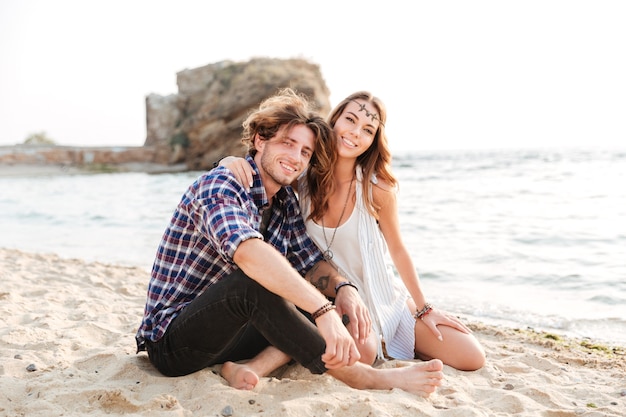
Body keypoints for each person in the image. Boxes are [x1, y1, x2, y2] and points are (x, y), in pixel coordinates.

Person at [135, 88, 444, 396]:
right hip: (173, 343)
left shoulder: (284, 201)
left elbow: (310, 262)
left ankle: (250, 367)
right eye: (288, 143)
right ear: (260, 140)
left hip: (228, 336)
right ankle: (361, 376)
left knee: (304, 289)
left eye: (305, 152)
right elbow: (249, 254)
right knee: (255, 283)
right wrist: (323, 311)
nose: (295, 158)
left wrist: (343, 289)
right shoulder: (222, 185)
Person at [220, 91, 486, 373]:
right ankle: (268, 360)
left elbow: (398, 249)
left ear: (373, 141)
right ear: (334, 121)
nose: (355, 133)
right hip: (332, 298)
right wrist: (227, 162)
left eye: (368, 129)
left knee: (471, 357)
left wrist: (424, 307)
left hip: (383, 297)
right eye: (350, 119)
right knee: (362, 354)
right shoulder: (302, 181)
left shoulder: (377, 188)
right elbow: (267, 169)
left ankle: (395, 337)